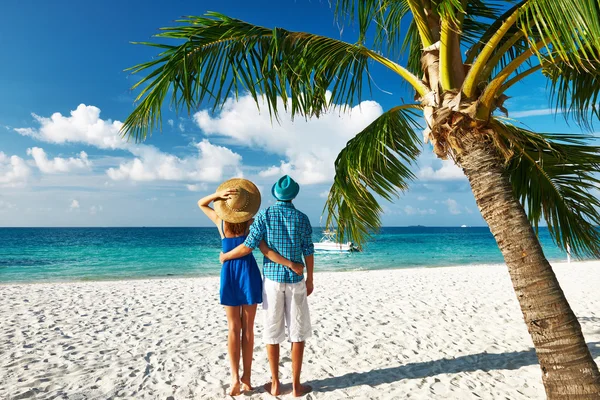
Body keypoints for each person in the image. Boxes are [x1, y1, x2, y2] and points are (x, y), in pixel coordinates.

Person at [197, 178, 302, 396]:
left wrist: (218, 196)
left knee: (233, 328)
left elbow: (201, 203)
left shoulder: (221, 222)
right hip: (249, 273)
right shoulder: (253, 224)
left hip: (230, 274)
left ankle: (235, 378)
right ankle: (247, 377)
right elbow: (264, 249)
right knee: (249, 329)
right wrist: (290, 262)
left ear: (227, 206)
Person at [220, 175, 314, 397]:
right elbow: (308, 250)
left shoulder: (265, 215)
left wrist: (225, 257)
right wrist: (310, 278)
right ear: (294, 195)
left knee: (273, 332)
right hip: (295, 281)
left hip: (271, 280)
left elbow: (249, 246)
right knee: (297, 333)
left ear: (275, 194)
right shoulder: (302, 218)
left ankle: (274, 384)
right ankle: (296, 386)